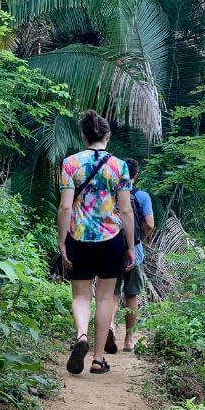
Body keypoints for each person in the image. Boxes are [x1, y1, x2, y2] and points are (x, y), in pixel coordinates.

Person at [57, 110, 135, 375]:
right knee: (104, 298)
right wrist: (130, 245)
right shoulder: (119, 166)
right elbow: (125, 211)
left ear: (84, 135)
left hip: (78, 237)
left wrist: (62, 241)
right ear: (107, 135)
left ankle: (81, 336)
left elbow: (65, 207)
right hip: (111, 239)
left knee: (80, 295)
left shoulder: (69, 163)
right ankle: (98, 359)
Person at [107, 158, 154, 353]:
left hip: (111, 249)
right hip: (134, 251)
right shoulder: (142, 196)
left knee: (112, 294)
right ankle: (128, 339)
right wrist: (139, 239)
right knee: (132, 294)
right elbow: (149, 224)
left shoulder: (110, 195)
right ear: (135, 175)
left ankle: (109, 326)